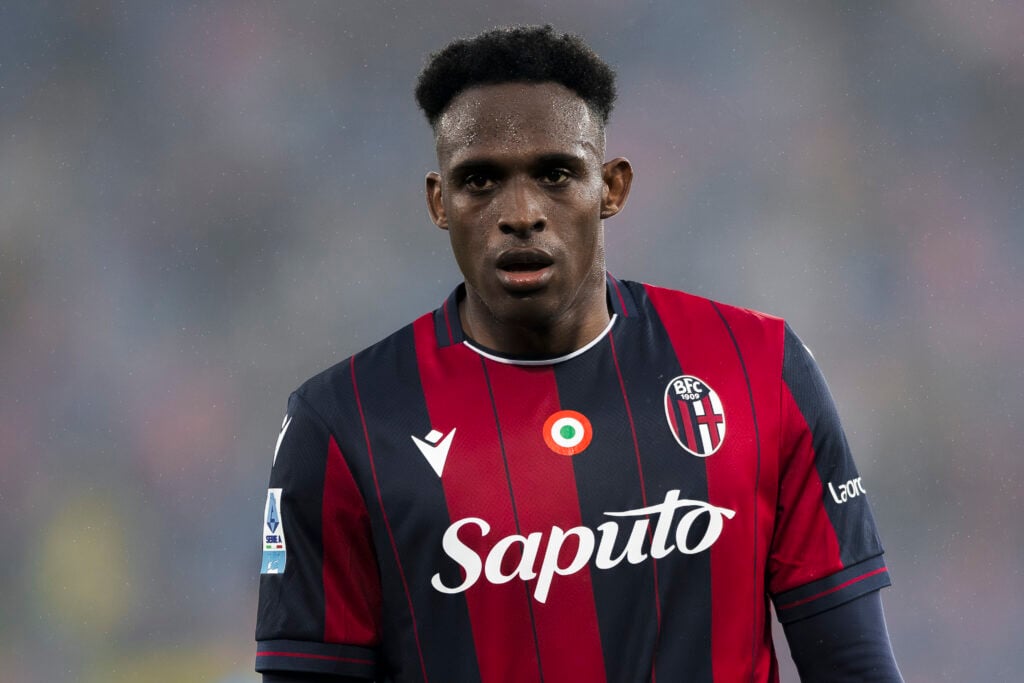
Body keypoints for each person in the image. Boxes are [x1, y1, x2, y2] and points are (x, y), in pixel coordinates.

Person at [255, 25, 902, 683]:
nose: (522, 212)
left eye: (556, 173)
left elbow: (853, 663)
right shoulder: (343, 424)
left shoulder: (759, 365)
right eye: (480, 180)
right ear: (439, 202)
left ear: (612, 186)